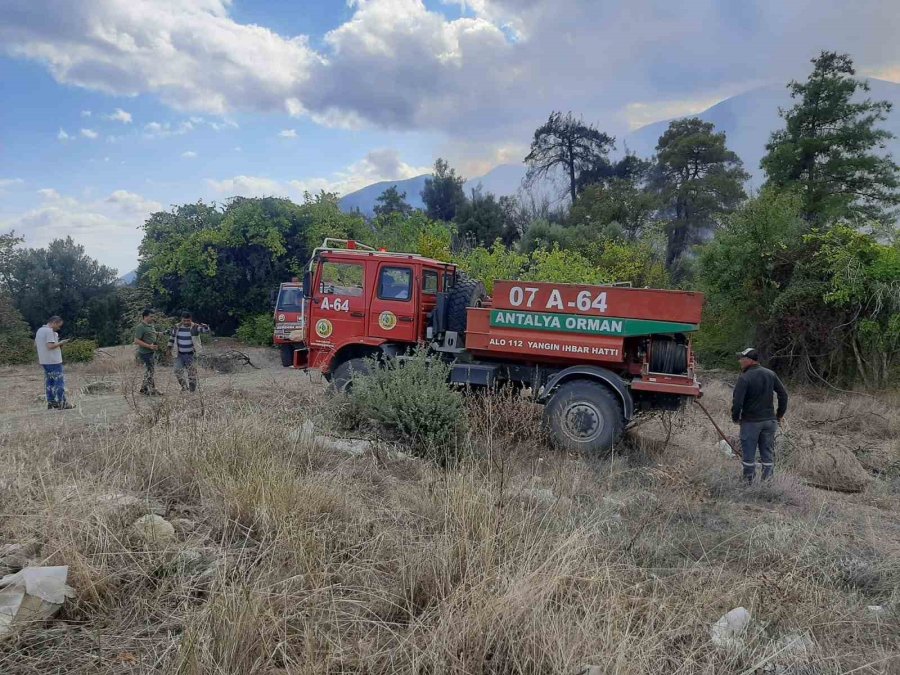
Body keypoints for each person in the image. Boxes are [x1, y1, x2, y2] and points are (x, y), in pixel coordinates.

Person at [731, 347, 789, 482]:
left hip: (751, 422)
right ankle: (767, 483)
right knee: (767, 455)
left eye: (742, 358)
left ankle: (748, 483)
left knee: (748, 455)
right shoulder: (770, 374)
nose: (740, 361)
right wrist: (779, 415)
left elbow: (737, 402)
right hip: (770, 422)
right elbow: (783, 395)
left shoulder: (744, 378)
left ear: (750, 360)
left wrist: (735, 417)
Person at [35, 315, 75, 410]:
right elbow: (50, 346)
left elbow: (35, 344)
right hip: (53, 361)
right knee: (59, 382)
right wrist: (61, 343)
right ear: (54, 323)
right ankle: (62, 402)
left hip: (44, 360)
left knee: (50, 382)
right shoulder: (49, 331)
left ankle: (51, 402)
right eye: (59, 325)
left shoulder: (40, 330)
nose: (59, 328)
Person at [168, 312, 209, 392]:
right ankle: (184, 387)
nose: (186, 322)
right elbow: (172, 338)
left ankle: (192, 391)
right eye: (184, 320)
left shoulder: (195, 327)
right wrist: (168, 348)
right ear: (181, 320)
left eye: (188, 320)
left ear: (191, 319)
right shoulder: (177, 327)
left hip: (191, 354)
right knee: (177, 371)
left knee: (192, 373)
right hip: (179, 354)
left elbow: (205, 331)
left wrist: (206, 327)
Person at [134, 309, 162, 396]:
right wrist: (149, 346)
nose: (153, 318)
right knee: (150, 370)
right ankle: (152, 390)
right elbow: (136, 340)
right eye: (151, 316)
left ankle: (144, 389)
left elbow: (151, 333)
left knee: (149, 370)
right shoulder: (140, 327)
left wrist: (158, 334)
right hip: (145, 353)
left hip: (151, 352)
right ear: (145, 317)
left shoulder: (151, 325)